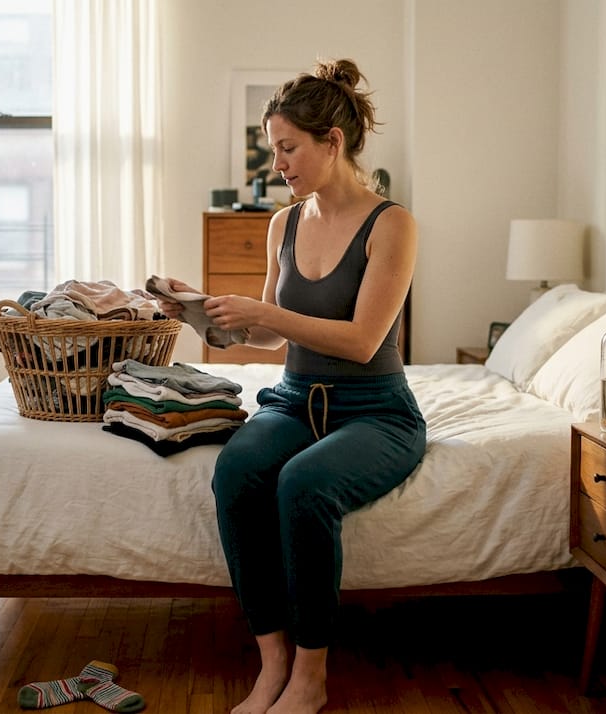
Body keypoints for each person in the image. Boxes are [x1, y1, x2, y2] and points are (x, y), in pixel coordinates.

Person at [156, 58, 425, 714]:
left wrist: (262, 313)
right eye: (273, 148)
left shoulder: (392, 225)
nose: (277, 163)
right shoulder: (284, 223)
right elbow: (273, 338)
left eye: (287, 148)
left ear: (332, 141)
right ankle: (272, 662)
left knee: (305, 487)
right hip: (294, 401)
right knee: (238, 471)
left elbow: (363, 341)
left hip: (376, 412)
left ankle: (311, 676)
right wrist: (205, 315)